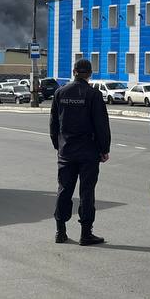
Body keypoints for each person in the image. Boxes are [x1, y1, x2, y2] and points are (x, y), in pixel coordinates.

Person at [49, 59, 111, 245]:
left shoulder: (60, 92)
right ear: (89, 74)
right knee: (87, 192)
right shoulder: (93, 94)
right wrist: (104, 149)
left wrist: (58, 145)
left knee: (64, 189)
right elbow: (101, 124)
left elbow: (54, 123)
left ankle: (60, 231)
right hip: (88, 152)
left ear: (74, 71)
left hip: (66, 150)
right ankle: (86, 233)